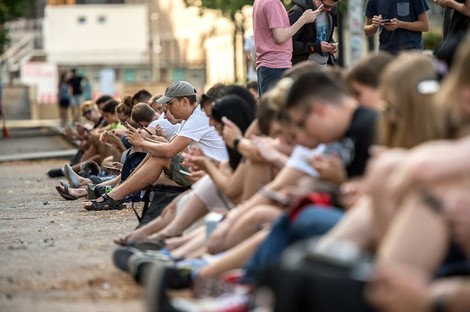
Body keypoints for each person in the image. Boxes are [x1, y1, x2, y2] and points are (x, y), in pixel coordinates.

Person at [84, 81, 228, 211]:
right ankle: (118, 193)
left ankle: (116, 195)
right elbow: (170, 146)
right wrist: (147, 141)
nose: (167, 108)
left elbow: (170, 150)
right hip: (205, 168)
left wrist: (142, 142)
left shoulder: (197, 118)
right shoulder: (190, 118)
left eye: (170, 103)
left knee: (160, 158)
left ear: (184, 101)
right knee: (156, 154)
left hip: (212, 173)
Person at [253, 0, 320, 95]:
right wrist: (303, 20)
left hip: (268, 65)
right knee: (277, 107)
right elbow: (280, 37)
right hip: (276, 65)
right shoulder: (272, 3)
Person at [364, 0, 430, 54]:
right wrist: (374, 26)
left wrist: (400, 24)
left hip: (411, 54)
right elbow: (367, 32)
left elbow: (425, 26)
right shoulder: (373, 1)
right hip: (385, 54)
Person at [288, 0, 339, 66]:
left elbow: (324, 35)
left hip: (325, 65)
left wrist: (331, 44)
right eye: (326, 6)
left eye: (333, 6)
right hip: (303, 67)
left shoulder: (331, 12)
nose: (329, 9)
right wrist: (316, 47)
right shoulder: (298, 12)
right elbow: (287, 44)